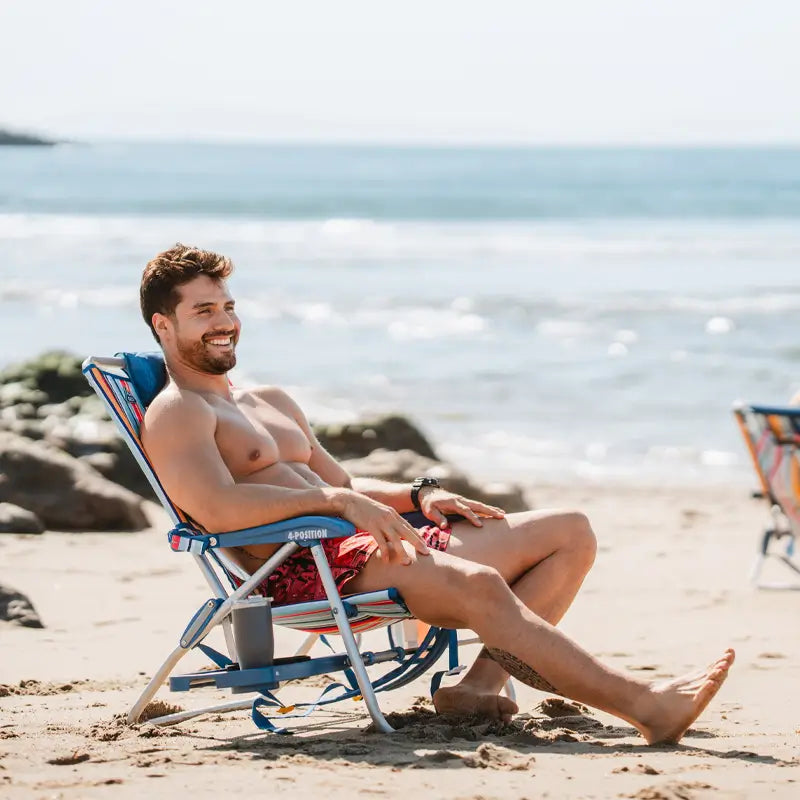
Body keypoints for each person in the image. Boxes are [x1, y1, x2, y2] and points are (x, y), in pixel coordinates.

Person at [139, 243, 734, 744]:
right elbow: (217, 510)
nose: (224, 321)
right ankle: (647, 706)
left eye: (228, 306)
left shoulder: (266, 399)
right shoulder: (177, 413)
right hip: (302, 564)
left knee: (568, 530)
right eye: (203, 311)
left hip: (369, 542)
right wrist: (337, 506)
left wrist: (418, 494)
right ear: (164, 325)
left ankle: (477, 689)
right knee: (477, 585)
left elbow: (343, 483)